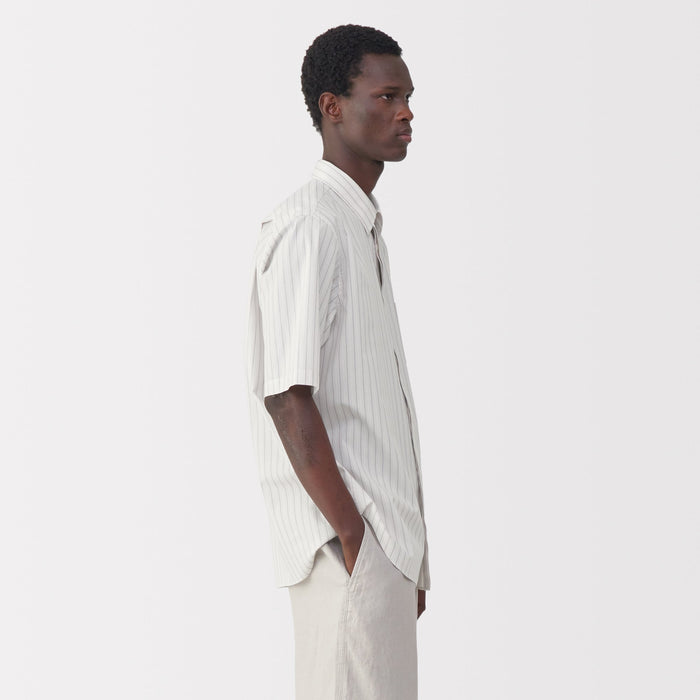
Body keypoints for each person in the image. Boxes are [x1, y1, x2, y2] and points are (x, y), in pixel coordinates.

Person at [246, 24, 430, 699]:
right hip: (347, 546)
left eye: (408, 98)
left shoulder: (358, 224)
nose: (405, 113)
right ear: (332, 107)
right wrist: (355, 537)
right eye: (387, 97)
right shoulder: (313, 224)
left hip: (382, 547)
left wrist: (403, 554)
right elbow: (286, 395)